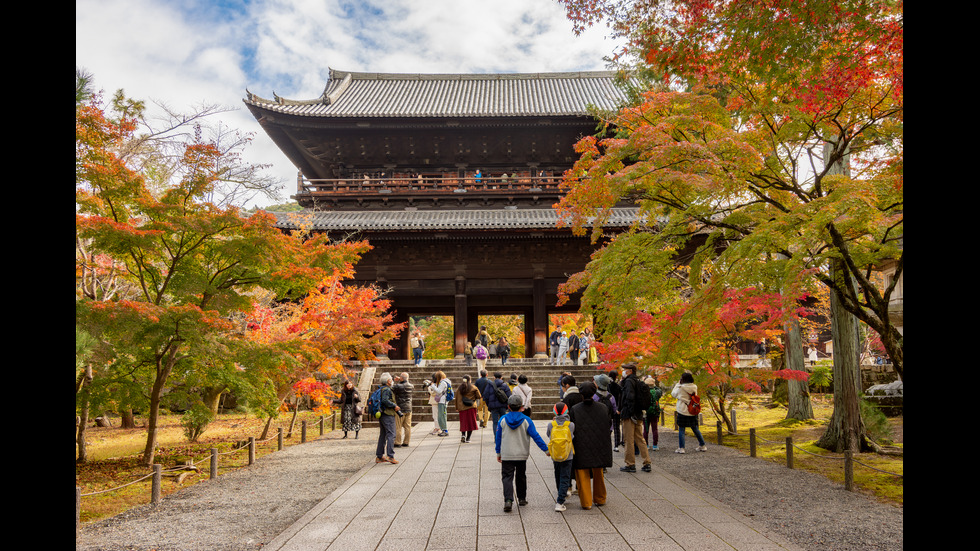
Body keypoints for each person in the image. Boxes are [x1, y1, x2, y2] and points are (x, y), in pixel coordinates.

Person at [495, 394, 549, 512]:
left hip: (507, 454)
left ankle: (508, 500)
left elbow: (498, 438)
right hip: (521, 454)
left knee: (507, 477)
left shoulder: (502, 420)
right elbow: (536, 436)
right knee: (521, 476)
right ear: (521, 407)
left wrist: (498, 453)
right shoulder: (526, 420)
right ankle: (522, 498)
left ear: (508, 406)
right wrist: (546, 449)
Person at [569, 382, 612, 509]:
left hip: (581, 444)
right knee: (598, 472)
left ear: (581, 393)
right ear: (594, 392)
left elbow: (572, 427)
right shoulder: (603, 407)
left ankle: (586, 502)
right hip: (599, 443)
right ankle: (600, 498)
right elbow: (608, 424)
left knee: (582, 472)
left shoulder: (575, 409)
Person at [618, 363, 652, 472]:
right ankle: (647, 462)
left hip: (629, 415)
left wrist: (630, 412)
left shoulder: (628, 382)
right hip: (638, 414)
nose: (623, 371)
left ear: (630, 371)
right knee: (640, 438)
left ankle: (630, 464)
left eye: (625, 369)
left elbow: (629, 397)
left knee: (628, 439)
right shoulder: (637, 380)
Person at [547, 402, 575, 512]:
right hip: (567, 455)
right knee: (565, 476)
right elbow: (572, 437)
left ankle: (561, 493)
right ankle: (560, 502)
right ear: (566, 411)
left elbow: (549, 435)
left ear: (554, 411)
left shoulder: (551, 425)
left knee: (558, 475)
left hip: (555, 454)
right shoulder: (570, 425)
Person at [672, 372, 707, 453]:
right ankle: (702, 445)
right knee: (695, 428)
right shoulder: (694, 387)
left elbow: (673, 394)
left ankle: (682, 448)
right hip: (692, 410)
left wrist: (677, 384)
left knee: (681, 428)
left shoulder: (681, 387)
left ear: (683, 379)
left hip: (682, 410)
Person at [375, 373, 401, 464]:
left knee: (383, 435)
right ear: (388, 381)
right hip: (388, 414)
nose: (392, 381)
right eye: (391, 379)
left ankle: (379, 456)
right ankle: (390, 455)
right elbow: (385, 400)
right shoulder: (387, 389)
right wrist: (394, 405)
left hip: (382, 414)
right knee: (391, 434)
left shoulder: (381, 388)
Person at [455, 375, 481, 443]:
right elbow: (479, 396)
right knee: (470, 423)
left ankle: (463, 435)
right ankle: (468, 438)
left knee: (463, 422)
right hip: (471, 407)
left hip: (462, 408)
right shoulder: (473, 387)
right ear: (470, 380)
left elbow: (456, 398)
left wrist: (457, 407)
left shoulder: (459, 388)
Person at [392, 372, 414, 448]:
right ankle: (406, 442)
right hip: (409, 408)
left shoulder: (398, 386)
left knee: (398, 426)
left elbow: (391, 388)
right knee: (408, 426)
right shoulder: (411, 386)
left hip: (400, 408)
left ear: (401, 378)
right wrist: (401, 379)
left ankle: (397, 442)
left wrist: (397, 380)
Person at [427, 371, 451, 437]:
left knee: (442, 416)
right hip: (442, 401)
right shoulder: (445, 381)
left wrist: (432, 385)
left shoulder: (443, 382)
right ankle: (444, 430)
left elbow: (439, 391)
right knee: (441, 416)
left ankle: (445, 431)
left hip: (443, 401)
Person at [642, 377, 663, 451]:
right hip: (655, 412)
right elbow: (660, 391)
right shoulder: (657, 391)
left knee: (646, 429)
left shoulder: (643, 392)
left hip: (646, 412)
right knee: (655, 429)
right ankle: (655, 445)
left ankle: (646, 445)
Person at [607, 370, 623, 451]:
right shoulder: (617, 386)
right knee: (616, 427)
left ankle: (607, 443)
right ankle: (616, 445)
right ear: (616, 377)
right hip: (616, 407)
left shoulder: (606, 385)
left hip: (607, 408)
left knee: (607, 427)